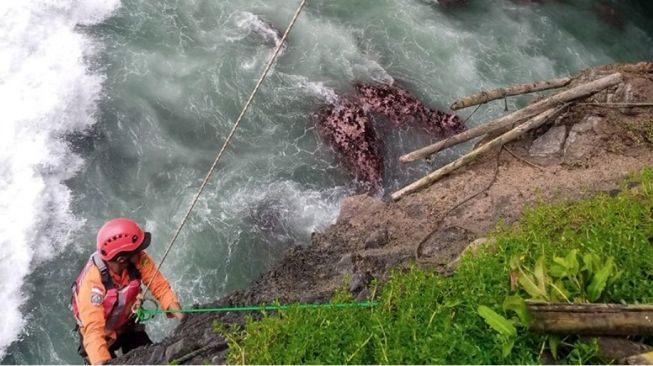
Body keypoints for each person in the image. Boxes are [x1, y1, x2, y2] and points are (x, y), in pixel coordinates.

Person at [71, 218, 183, 364]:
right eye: (137, 250)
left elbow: (160, 287)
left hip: (127, 326)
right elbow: (93, 333)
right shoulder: (93, 284)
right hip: (103, 339)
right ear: (122, 259)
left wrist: (184, 318)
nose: (141, 252)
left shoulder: (137, 259)